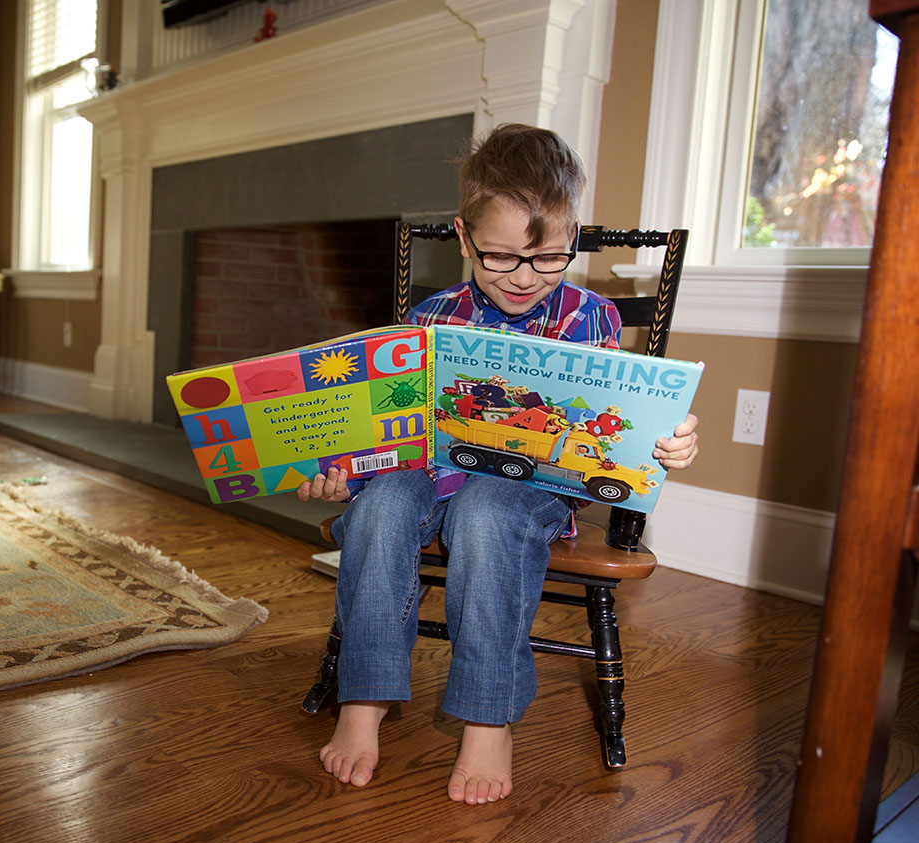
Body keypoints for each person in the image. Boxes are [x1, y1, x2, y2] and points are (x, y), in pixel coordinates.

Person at [297, 123, 699, 805]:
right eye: (501, 257)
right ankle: (363, 702)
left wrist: (669, 441)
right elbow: (388, 430)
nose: (524, 279)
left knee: (484, 512)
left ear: (573, 239)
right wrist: (340, 472)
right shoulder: (430, 319)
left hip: (526, 489)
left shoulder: (589, 318)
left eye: (548, 259)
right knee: (383, 504)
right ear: (463, 238)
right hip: (429, 472)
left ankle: (488, 717)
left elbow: (611, 424)